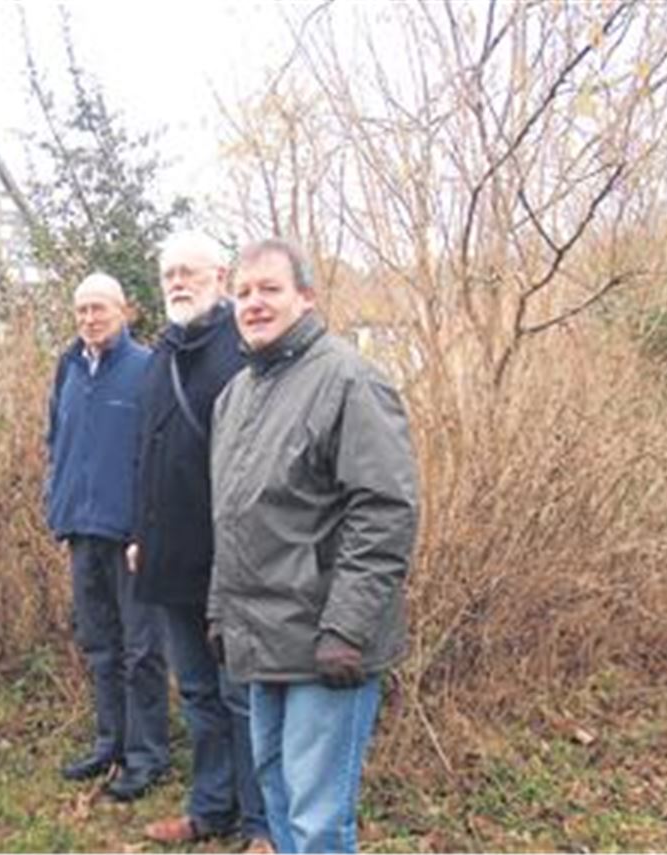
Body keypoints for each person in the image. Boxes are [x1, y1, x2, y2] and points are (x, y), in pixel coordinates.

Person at [209, 238, 419, 854]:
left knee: (318, 819)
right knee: (277, 801)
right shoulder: (235, 397)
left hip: (326, 642)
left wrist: (348, 628)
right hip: (260, 638)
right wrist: (220, 609)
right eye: (243, 293)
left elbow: (384, 510)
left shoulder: (350, 381)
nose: (254, 303)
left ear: (305, 296)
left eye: (270, 289)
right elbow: (231, 517)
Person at [128, 231, 271, 852]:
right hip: (168, 559)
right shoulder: (163, 353)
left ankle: (262, 823)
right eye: (168, 275)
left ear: (220, 275)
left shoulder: (239, 352)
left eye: (189, 272)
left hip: (228, 563)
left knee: (243, 697)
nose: (178, 283)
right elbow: (148, 452)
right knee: (197, 694)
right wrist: (139, 533)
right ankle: (211, 809)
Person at [45, 272, 170, 802]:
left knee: (142, 649)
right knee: (100, 645)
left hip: (129, 534)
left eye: (99, 308)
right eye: (81, 310)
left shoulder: (145, 369)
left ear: (124, 312)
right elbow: (57, 437)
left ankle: (147, 756)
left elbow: (157, 456)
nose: (89, 319)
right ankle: (109, 744)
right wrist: (58, 504)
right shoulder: (69, 367)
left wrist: (147, 528)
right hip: (81, 528)